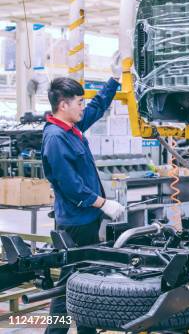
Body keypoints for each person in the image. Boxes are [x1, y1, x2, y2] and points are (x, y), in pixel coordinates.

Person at [43, 56, 126, 334]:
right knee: (69, 284)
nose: (82, 106)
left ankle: (87, 331)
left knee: (86, 277)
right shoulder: (56, 137)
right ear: (63, 105)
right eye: (78, 102)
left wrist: (114, 80)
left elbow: (97, 108)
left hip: (86, 219)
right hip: (75, 223)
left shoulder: (72, 128)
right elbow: (70, 185)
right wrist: (103, 203)